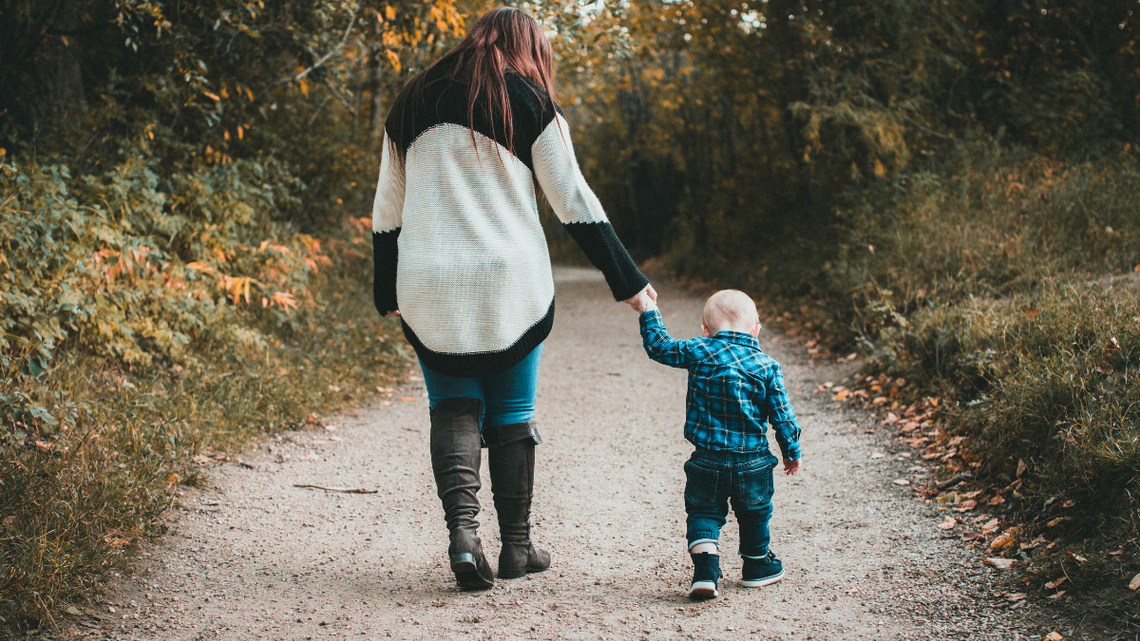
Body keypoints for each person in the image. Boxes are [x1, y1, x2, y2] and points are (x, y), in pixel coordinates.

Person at [371, 7, 656, 590]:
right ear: (527, 47)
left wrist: (385, 287)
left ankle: (462, 537)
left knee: (452, 405)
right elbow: (572, 197)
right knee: (511, 412)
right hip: (510, 279)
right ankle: (517, 548)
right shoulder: (527, 99)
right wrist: (627, 280)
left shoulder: (412, 98)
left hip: (428, 278)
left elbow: (386, 208)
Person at [634, 289, 802, 599]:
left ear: (706, 330)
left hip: (706, 459)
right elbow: (783, 417)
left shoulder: (699, 349)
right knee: (755, 512)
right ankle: (756, 565)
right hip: (752, 462)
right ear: (756, 329)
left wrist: (648, 310)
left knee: (703, 512)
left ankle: (705, 571)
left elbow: (659, 347)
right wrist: (791, 451)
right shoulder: (767, 366)